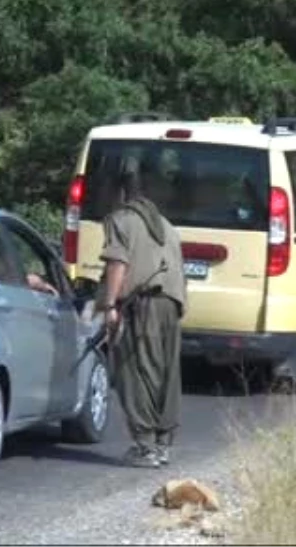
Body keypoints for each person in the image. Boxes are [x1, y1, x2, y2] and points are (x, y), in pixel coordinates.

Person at [95, 164, 187, 468]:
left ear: (122, 193)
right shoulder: (167, 226)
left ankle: (145, 447)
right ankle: (164, 444)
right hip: (171, 305)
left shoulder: (120, 221)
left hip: (143, 304)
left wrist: (109, 306)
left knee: (135, 371)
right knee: (165, 373)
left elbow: (117, 264)